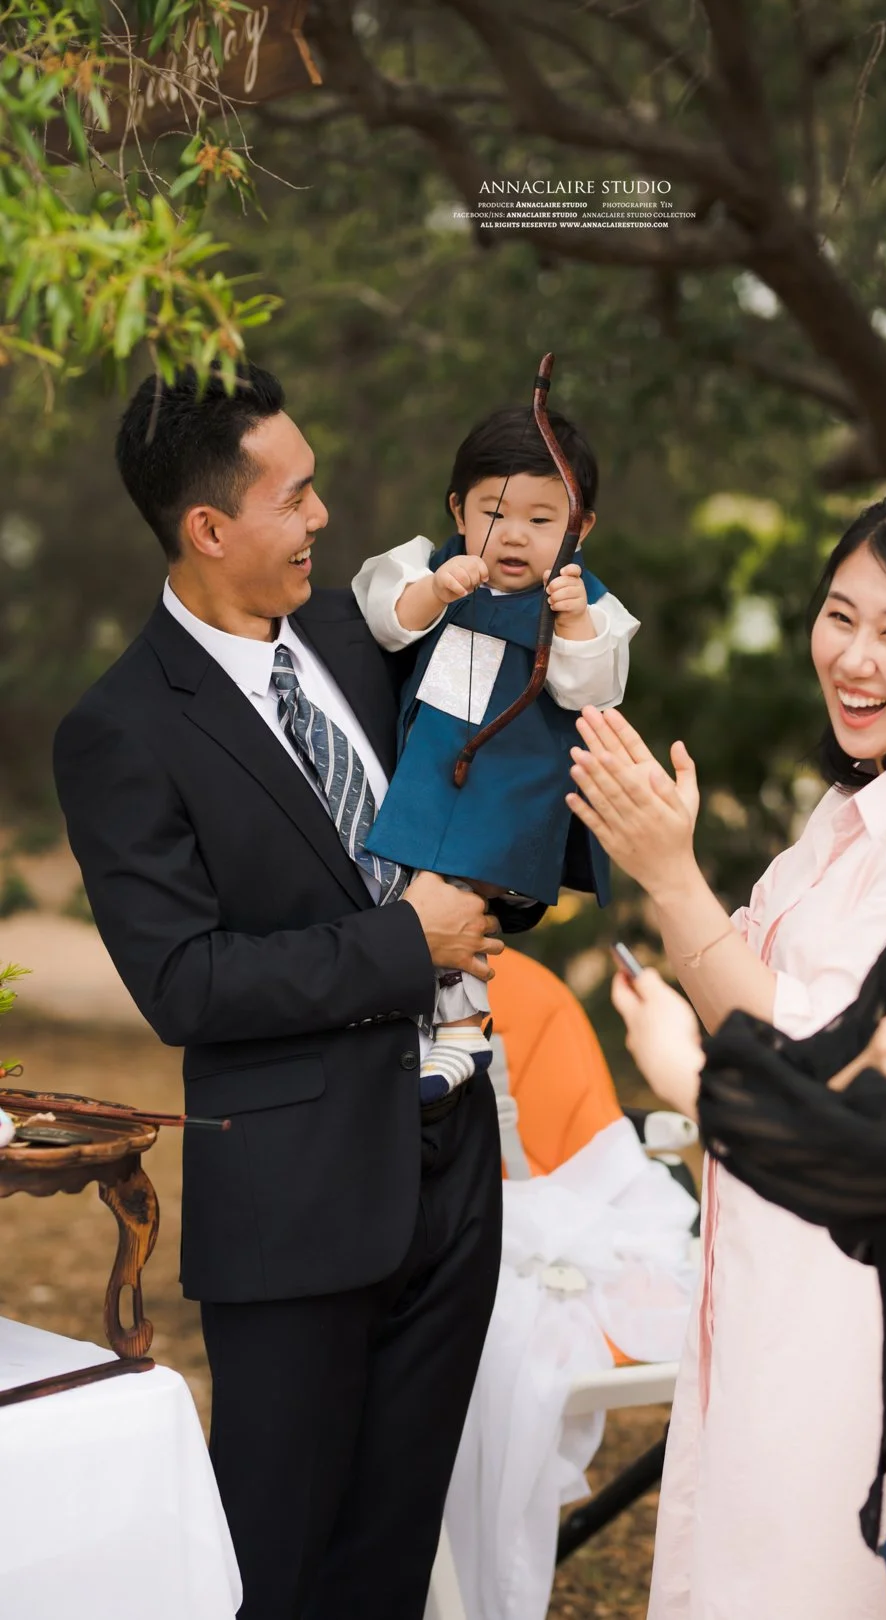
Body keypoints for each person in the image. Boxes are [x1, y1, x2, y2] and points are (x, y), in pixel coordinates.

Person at [52, 365, 541, 1620]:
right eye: (299, 493)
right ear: (209, 528)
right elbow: (183, 981)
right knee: (273, 1551)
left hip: (450, 1150)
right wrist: (406, 941)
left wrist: (501, 889)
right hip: (296, 1194)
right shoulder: (120, 729)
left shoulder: (350, 636)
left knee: (391, 1545)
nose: (325, 517)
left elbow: (462, 792)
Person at [566, 489, 886, 1620]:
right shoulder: (844, 812)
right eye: (839, 615)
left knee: (809, 1562)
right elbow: (757, 1008)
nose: (854, 658)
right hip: (764, 1258)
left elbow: (816, 1063)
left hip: (850, 1287)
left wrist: (673, 878)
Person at [353, 404, 638, 1099]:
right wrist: (432, 592)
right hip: (431, 764)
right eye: (494, 513)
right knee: (406, 888)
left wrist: (571, 622)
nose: (514, 536)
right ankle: (421, 1022)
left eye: (543, 521)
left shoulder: (590, 605)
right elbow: (383, 622)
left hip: (513, 779)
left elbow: (592, 689)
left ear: (581, 527)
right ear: (458, 509)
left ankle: (462, 1024)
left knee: (465, 892)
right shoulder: (427, 565)